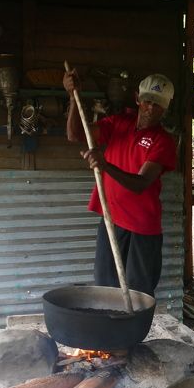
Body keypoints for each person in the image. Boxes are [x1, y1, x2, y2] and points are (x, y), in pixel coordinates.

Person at [64, 70, 177, 297]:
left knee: (138, 294)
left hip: (142, 228)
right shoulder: (118, 124)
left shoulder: (163, 140)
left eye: (158, 105)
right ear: (137, 98)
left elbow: (141, 183)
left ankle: (135, 333)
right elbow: (75, 134)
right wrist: (72, 95)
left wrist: (105, 166)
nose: (151, 109)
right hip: (112, 221)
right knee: (105, 288)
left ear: (166, 108)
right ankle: (108, 332)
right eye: (148, 101)